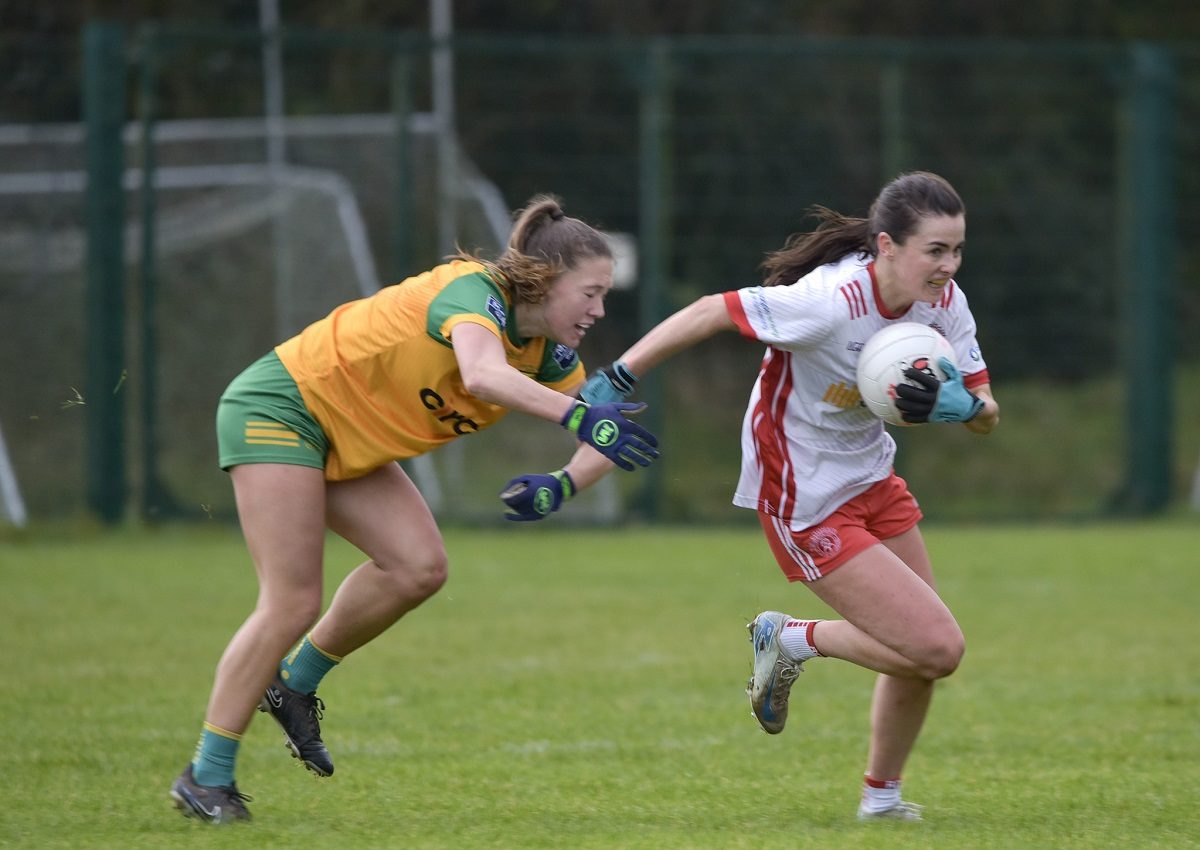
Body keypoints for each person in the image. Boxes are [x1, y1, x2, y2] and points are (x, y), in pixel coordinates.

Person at [169, 194, 658, 824]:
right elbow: (481, 374)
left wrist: (563, 483)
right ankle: (205, 778)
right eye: (590, 293)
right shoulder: (472, 293)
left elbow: (599, 439)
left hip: (346, 437)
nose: (598, 310)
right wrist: (580, 413)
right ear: (543, 281)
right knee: (291, 600)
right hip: (283, 407)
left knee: (418, 566)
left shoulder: (550, 356)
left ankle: (293, 683)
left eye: (604, 296)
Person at [579, 172, 998, 821]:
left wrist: (966, 405)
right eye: (935, 251)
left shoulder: (945, 305)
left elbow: (987, 414)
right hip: (803, 494)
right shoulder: (829, 300)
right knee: (938, 648)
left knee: (918, 655)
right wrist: (621, 372)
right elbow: (709, 311)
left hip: (873, 478)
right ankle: (794, 639)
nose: (948, 266)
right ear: (887, 246)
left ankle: (880, 801)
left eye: (956, 250)